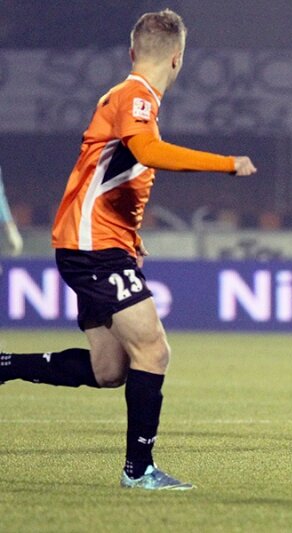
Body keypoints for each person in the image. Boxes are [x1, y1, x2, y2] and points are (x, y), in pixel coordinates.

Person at [0, 9, 257, 489]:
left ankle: (7, 366)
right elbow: (149, 153)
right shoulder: (135, 96)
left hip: (95, 245)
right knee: (153, 351)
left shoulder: (132, 99)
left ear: (132, 50)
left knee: (109, 369)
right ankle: (139, 471)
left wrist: (132, 238)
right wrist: (226, 163)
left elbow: (114, 177)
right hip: (93, 248)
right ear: (178, 59)